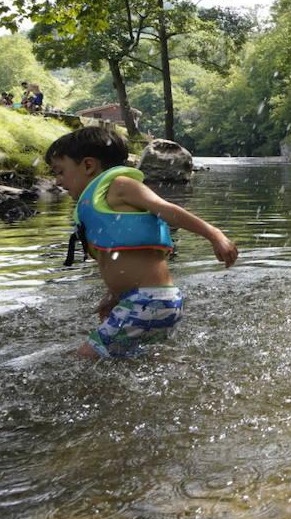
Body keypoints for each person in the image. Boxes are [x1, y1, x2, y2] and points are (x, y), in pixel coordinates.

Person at [46, 126, 239, 359]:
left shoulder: (120, 186)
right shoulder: (100, 201)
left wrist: (214, 235)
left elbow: (166, 209)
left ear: (88, 165)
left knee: (85, 358)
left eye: (60, 171)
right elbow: (118, 259)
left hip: (147, 301)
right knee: (129, 361)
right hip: (145, 301)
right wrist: (114, 296)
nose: (57, 181)